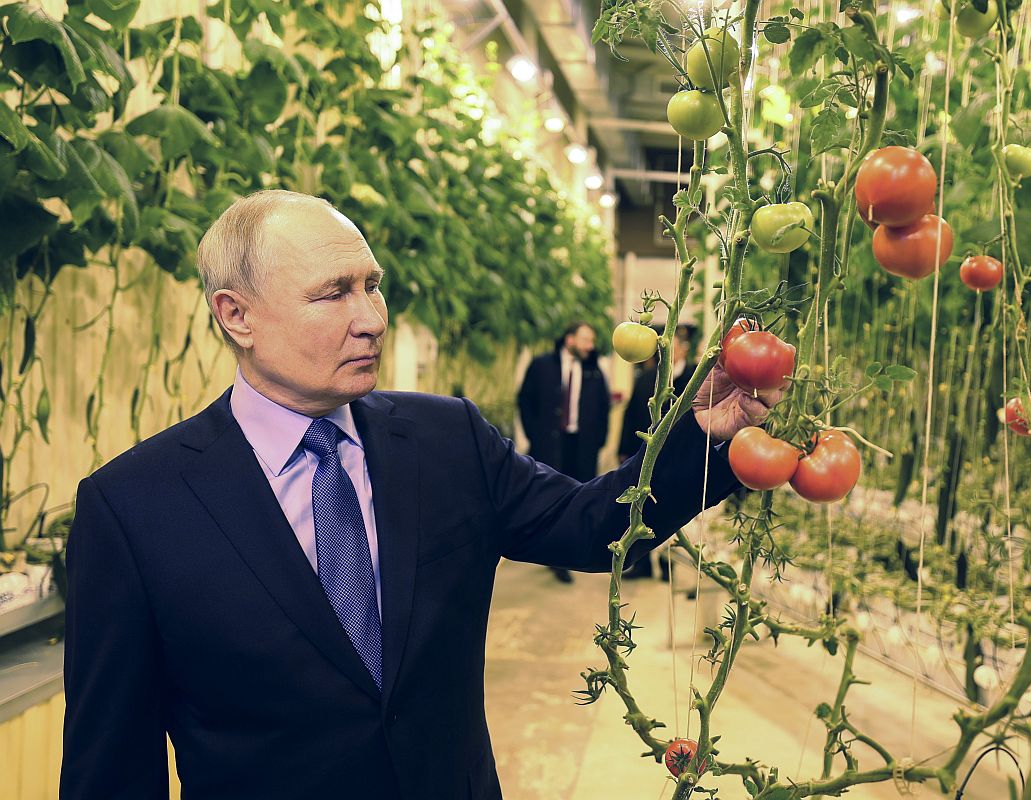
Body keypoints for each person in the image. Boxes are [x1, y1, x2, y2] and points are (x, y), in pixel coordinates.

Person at [61, 190, 780, 800]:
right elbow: (111, 767)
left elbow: (591, 525)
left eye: (370, 285)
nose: (371, 317)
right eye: (333, 294)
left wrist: (701, 436)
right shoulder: (135, 509)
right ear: (236, 315)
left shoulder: (445, 440)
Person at [517, 322, 611, 582]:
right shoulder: (541, 365)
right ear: (570, 339)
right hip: (549, 444)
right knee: (549, 498)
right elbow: (525, 400)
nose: (590, 346)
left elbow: (603, 408)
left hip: (581, 446)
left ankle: (565, 553)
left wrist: (598, 440)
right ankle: (549, 552)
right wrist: (533, 434)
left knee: (578, 497)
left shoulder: (594, 371)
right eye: (585, 340)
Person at [619, 324, 696, 581]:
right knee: (641, 507)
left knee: (674, 509)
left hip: (682, 457)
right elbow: (630, 416)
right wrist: (623, 450)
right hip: (645, 457)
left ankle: (667, 566)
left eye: (674, 344)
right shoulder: (646, 378)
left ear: (684, 347)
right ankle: (640, 563)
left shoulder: (697, 377)